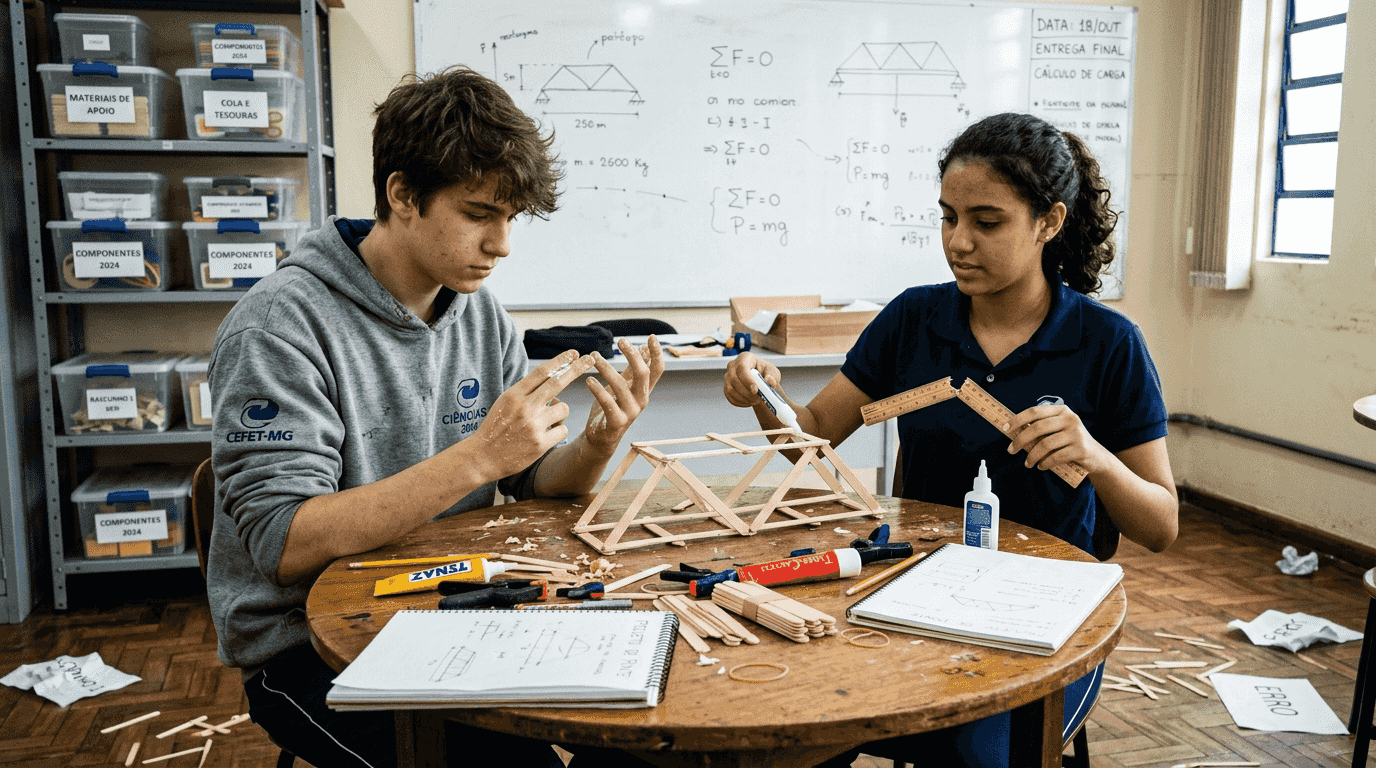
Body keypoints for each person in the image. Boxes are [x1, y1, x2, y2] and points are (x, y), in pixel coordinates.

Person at [206, 65, 664, 768]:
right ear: (402, 195)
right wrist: (478, 457)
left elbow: (536, 483)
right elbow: (284, 543)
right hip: (310, 646)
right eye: (480, 214)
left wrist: (599, 443)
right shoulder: (277, 326)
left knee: (648, 728)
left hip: (456, 609)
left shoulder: (479, 312)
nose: (502, 244)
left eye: (510, 219)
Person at [722, 112, 1178, 767]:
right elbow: (811, 437)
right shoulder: (914, 316)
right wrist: (763, 396)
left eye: (986, 222)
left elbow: (1162, 525)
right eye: (947, 217)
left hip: (1045, 618)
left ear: (1048, 222)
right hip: (913, 597)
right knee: (801, 732)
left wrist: (1097, 457)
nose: (958, 242)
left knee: (978, 757)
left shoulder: (1109, 343)